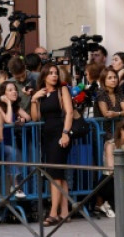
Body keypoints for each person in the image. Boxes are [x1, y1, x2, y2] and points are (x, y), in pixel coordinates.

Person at [29, 63, 74, 227]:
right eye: (51, 73)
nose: (54, 76)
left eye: (56, 73)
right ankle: (65, 212)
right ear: (44, 76)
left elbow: (69, 112)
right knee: (58, 174)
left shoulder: (62, 90)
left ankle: (53, 213)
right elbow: (35, 117)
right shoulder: (41, 93)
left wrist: (65, 133)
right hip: (47, 135)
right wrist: (34, 99)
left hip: (60, 133)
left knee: (54, 174)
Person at [0, 81, 30, 198]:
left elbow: (28, 117)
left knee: (15, 155)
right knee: (13, 153)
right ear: (3, 94)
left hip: (9, 142)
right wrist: (8, 103)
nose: (14, 92)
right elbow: (8, 120)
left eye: (15, 89)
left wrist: (22, 120)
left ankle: (15, 186)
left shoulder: (15, 107)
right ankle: (16, 186)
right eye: (10, 90)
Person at [95, 67, 124, 138]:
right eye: (109, 78)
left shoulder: (118, 92)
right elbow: (106, 114)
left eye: (115, 77)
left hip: (117, 129)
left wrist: (116, 114)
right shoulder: (101, 93)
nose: (113, 80)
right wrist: (120, 113)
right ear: (103, 80)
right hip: (102, 131)